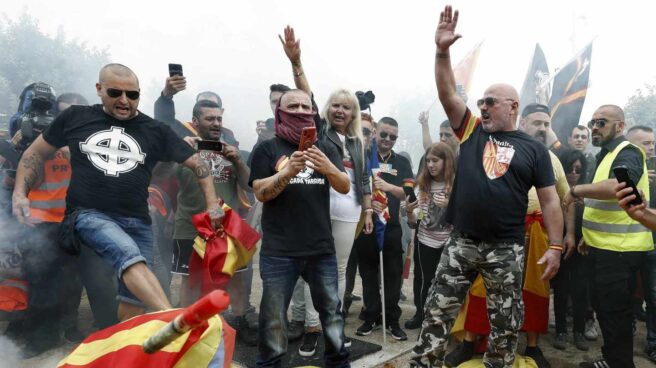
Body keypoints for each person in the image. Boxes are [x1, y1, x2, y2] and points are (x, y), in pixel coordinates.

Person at [410, 6, 563, 368]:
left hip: (506, 248)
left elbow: (551, 201)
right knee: (437, 313)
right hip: (461, 241)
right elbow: (447, 92)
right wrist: (442, 51)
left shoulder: (535, 149)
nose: (483, 106)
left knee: (506, 324)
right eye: (481, 101)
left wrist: (556, 245)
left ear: (513, 106)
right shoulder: (472, 130)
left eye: (490, 101)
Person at [12, 63, 223, 322]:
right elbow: (34, 153)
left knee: (132, 302)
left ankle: (126, 352)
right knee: (129, 257)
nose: (124, 100)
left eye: (132, 95)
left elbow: (198, 165)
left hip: (138, 221)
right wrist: (20, 193)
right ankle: (174, 320)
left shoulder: (154, 130)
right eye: (115, 93)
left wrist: (212, 204)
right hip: (87, 214)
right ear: (99, 89)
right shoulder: (76, 117)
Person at [249, 88, 350, 367]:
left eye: (307, 107)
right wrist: (286, 172)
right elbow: (260, 192)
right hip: (279, 250)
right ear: (280, 112)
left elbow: (344, 186)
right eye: (293, 107)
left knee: (332, 313)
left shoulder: (325, 146)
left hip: (320, 247)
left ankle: (338, 363)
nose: (302, 112)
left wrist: (329, 167)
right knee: (273, 319)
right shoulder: (267, 148)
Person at [563, 105, 653, 368]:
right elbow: (602, 205)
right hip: (603, 248)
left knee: (615, 316)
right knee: (606, 312)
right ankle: (614, 359)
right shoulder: (606, 155)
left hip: (621, 251)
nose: (594, 128)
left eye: (601, 122)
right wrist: (588, 236)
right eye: (592, 122)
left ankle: (621, 363)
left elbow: (618, 187)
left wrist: (576, 190)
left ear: (620, 126)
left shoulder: (628, 152)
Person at [353, 116, 414, 341]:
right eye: (384, 134)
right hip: (367, 223)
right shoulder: (364, 157)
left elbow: (410, 194)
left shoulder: (401, 162)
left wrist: (388, 187)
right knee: (368, 273)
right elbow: (352, 189)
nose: (388, 140)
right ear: (376, 132)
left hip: (392, 226)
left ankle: (391, 319)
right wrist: (368, 203)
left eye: (393, 137)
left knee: (392, 275)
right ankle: (371, 317)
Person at [404, 142, 455, 330]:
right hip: (424, 239)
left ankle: (443, 319)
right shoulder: (423, 184)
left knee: (447, 282)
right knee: (423, 278)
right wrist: (410, 211)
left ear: (446, 161)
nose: (431, 165)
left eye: (435, 160)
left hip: (449, 242)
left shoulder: (456, 184)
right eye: (428, 161)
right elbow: (413, 220)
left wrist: (450, 206)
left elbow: (466, 215)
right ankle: (420, 313)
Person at [551, 148, 590, 352]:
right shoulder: (556, 191)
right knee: (560, 289)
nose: (574, 173)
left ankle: (579, 331)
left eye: (578, 169)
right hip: (560, 246)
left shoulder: (588, 191)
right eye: (570, 169)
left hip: (583, 248)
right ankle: (560, 331)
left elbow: (595, 218)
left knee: (580, 291)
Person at [625, 124, 656, 362]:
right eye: (646, 143)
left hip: (652, 243)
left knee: (654, 294)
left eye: (653, 143)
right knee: (623, 294)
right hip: (625, 243)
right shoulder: (621, 168)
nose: (652, 147)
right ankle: (623, 340)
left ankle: (653, 342)